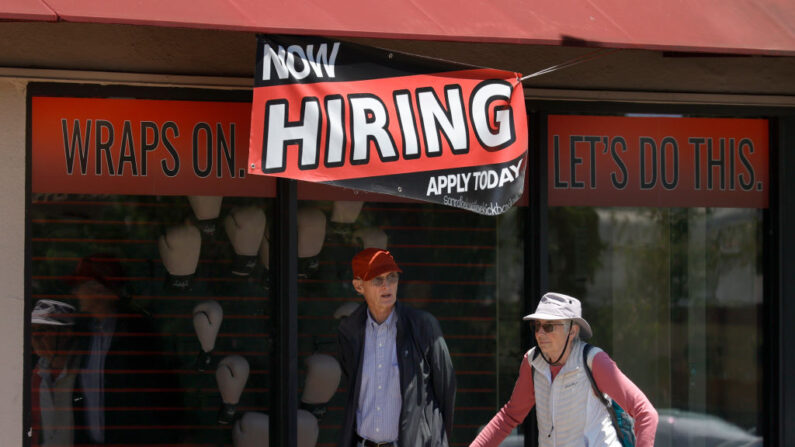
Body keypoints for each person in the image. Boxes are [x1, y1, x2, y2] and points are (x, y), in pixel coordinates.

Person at [470, 292, 658, 447]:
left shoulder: (593, 360)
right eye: (536, 326)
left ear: (572, 331)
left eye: (549, 326)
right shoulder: (532, 362)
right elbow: (509, 416)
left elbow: (646, 413)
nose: (540, 333)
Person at [337, 248, 456, 447]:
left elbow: (446, 390)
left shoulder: (423, 327)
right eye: (377, 279)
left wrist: (436, 440)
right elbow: (353, 391)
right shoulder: (349, 332)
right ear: (359, 286)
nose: (387, 285)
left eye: (392, 277)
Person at [31, 299, 80, 447]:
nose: (35, 337)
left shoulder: (84, 369)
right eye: (32, 330)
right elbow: (33, 426)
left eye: (43, 330)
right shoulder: (38, 373)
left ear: (67, 333)